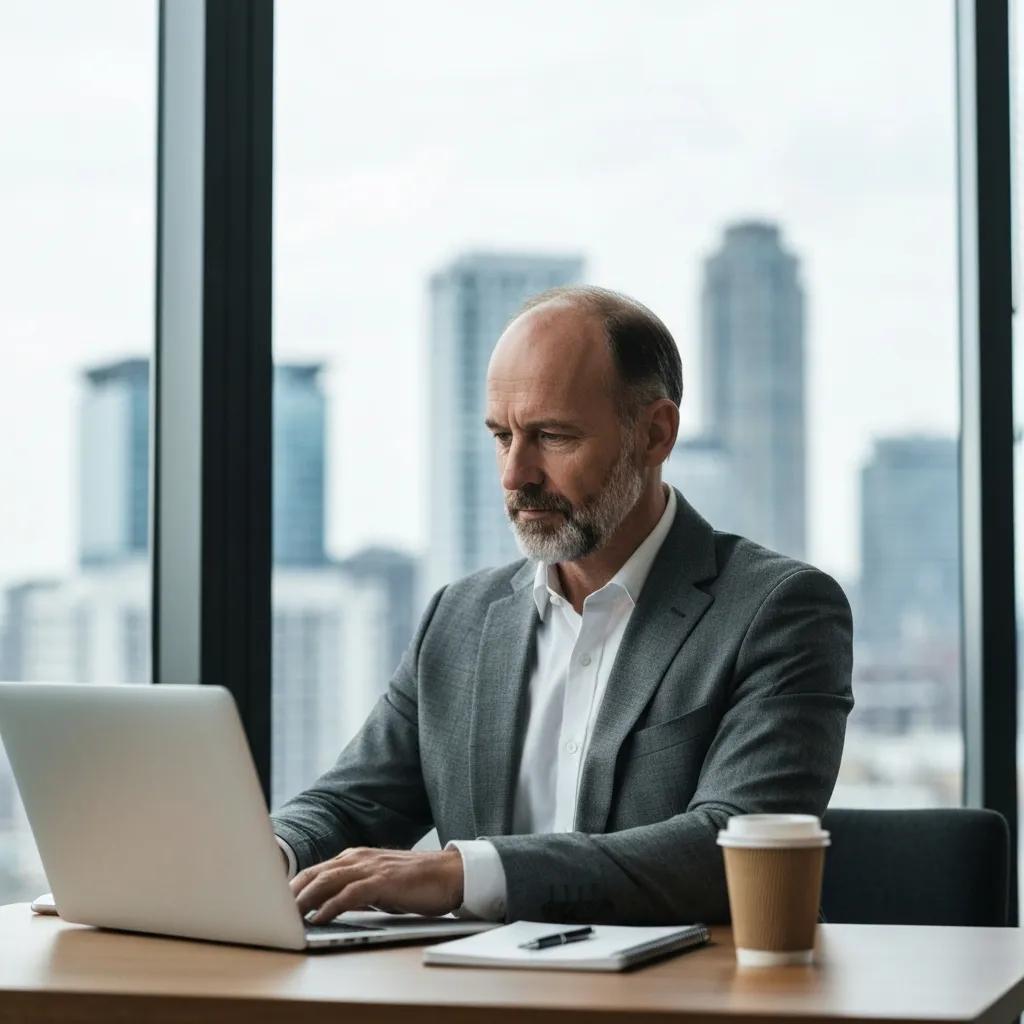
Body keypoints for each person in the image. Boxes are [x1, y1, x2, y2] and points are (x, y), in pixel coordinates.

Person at [272, 286, 853, 926]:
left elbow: (734, 848)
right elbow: (349, 805)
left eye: (551, 436)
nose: (515, 475)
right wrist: (268, 855)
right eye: (501, 436)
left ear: (655, 434)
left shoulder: (779, 611)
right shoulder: (458, 618)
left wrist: (463, 873)